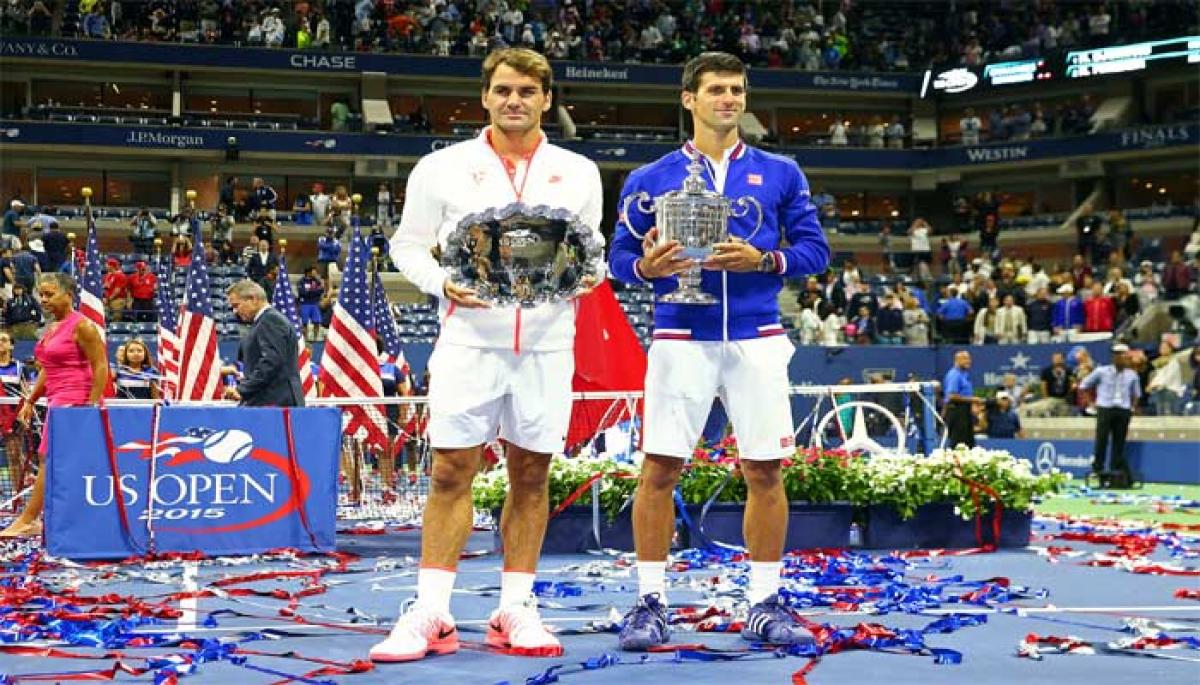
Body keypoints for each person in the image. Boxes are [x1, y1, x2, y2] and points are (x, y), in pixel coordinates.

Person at [373, 48, 605, 663]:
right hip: (469, 343)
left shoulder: (578, 170)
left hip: (549, 345)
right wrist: (436, 282)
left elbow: (590, 248)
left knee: (532, 476)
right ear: (484, 97)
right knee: (452, 472)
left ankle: (516, 607)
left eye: (528, 91)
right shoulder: (441, 168)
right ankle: (432, 610)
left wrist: (588, 274)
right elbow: (408, 245)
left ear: (547, 100)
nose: (514, 101)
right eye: (503, 90)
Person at [608, 52, 830, 652]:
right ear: (690, 100)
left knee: (764, 468)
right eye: (716, 90)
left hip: (756, 336)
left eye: (736, 89)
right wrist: (646, 268)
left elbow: (815, 250)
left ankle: (763, 600)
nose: (728, 99)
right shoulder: (651, 178)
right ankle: (650, 601)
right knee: (659, 468)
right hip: (681, 334)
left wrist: (767, 260)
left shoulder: (781, 172)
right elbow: (616, 261)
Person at [1, 273, 109, 538]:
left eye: (50, 294)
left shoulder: (82, 326)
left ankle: (28, 519)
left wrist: (90, 408)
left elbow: (101, 366)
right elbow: (48, 369)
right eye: (42, 294)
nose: (44, 300)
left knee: (48, 458)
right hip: (57, 400)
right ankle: (47, 518)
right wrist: (30, 400)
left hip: (76, 400)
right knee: (50, 458)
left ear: (68, 295)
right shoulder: (52, 328)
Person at [223, 280, 304, 407]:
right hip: (267, 402)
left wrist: (242, 389)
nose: (234, 311)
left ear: (253, 299)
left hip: (275, 403)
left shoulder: (270, 320)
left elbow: (271, 361)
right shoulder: (262, 322)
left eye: (236, 305)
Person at [1079, 344, 1140, 484]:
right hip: (1105, 408)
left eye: (1125, 355)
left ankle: (1116, 472)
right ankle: (1098, 469)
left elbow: (1136, 394)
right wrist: (1091, 403)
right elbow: (1084, 385)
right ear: (1114, 357)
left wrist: (1132, 408)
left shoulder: (1132, 375)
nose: (1123, 358)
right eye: (1120, 355)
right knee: (1101, 440)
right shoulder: (1101, 371)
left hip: (1123, 410)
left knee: (1119, 442)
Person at [943, 350, 984, 447]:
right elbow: (951, 396)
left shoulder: (964, 374)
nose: (968, 361)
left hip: (965, 411)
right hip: (957, 411)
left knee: (968, 442)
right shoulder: (954, 375)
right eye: (965, 359)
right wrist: (973, 400)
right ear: (957, 360)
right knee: (959, 443)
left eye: (969, 359)